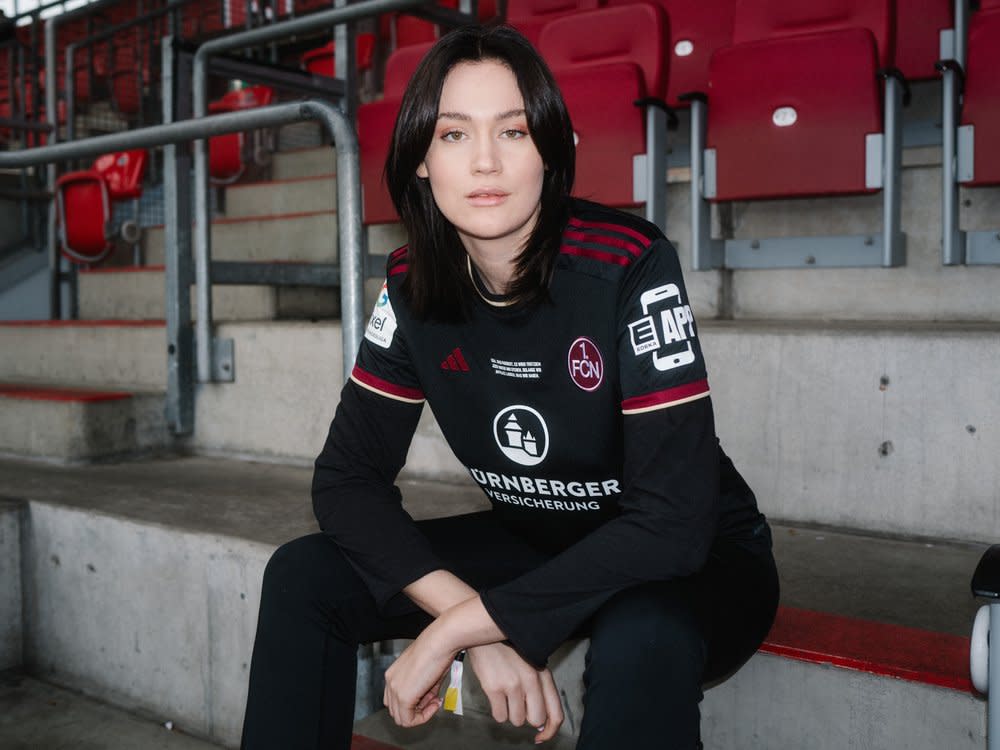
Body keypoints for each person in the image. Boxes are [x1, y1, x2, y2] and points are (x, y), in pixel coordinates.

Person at [240, 22, 779, 750]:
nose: (486, 161)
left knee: (640, 632)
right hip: (539, 543)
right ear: (422, 160)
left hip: (695, 558)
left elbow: (672, 525)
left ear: (552, 150)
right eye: (455, 135)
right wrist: (485, 619)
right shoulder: (408, 284)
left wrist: (461, 628)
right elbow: (346, 482)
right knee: (305, 576)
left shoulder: (629, 263)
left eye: (515, 132)